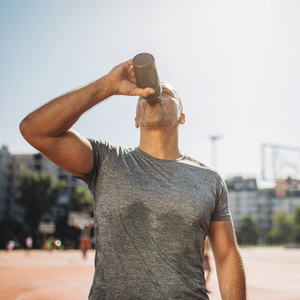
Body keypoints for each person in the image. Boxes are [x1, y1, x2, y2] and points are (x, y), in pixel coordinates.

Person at [20, 58, 246, 300]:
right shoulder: (106, 159)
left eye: (164, 92)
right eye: (141, 97)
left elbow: (226, 257)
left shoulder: (209, 179)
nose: (150, 95)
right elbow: (35, 130)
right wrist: (106, 86)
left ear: (182, 117)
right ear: (136, 120)